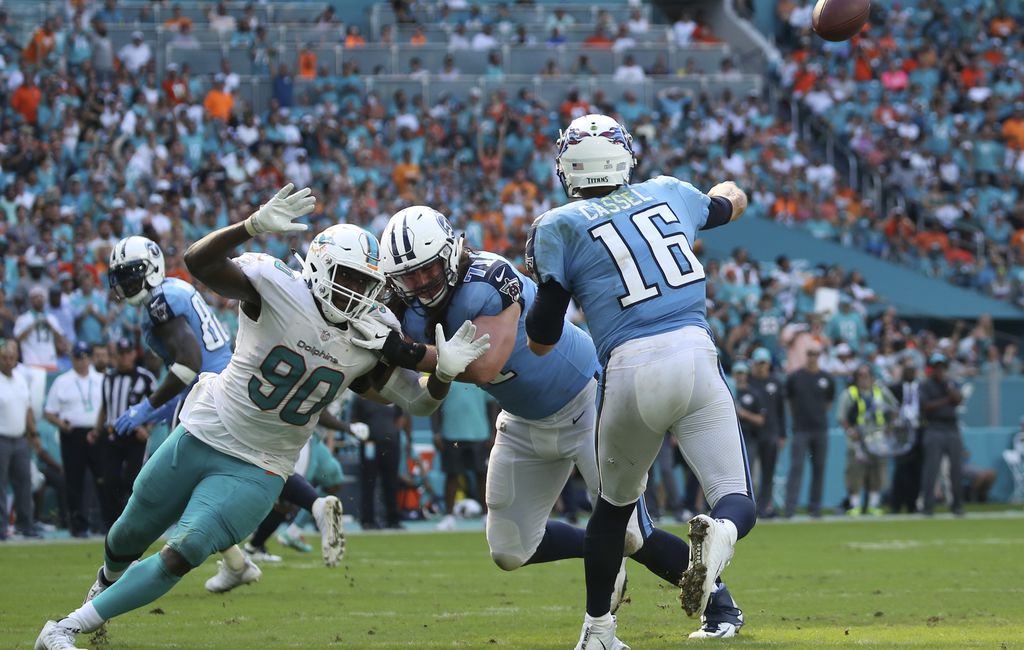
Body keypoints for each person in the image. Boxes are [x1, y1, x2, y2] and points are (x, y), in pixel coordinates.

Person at [34, 185, 490, 649]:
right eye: (347, 278)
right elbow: (198, 262)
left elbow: (417, 403)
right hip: (208, 428)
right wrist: (248, 226)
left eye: (365, 283)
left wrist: (444, 375)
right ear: (320, 267)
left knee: (185, 550)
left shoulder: (370, 336)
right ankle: (105, 581)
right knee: (129, 532)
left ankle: (66, 629)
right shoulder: (277, 287)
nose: (355, 293)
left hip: (263, 466)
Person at [525, 114, 754, 646]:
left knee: (612, 514)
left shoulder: (557, 224)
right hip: (696, 355)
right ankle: (719, 535)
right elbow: (728, 204)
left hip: (629, 368)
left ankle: (598, 631)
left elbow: (541, 334)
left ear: (567, 168)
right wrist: (729, 190)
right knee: (734, 497)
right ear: (626, 155)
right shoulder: (668, 192)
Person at [43, 342, 106, 536]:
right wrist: (62, 425)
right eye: (78, 357)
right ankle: (78, 525)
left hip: (96, 432)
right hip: (73, 433)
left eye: (86, 356)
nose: (83, 361)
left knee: (103, 478)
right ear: (72, 359)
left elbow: (107, 407)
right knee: (74, 480)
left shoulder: (101, 378)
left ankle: (105, 521)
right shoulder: (63, 381)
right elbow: (49, 412)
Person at [93, 339, 156, 523]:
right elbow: (105, 408)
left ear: (134, 354)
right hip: (112, 433)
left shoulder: (145, 378)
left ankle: (140, 520)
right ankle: (114, 523)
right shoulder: (109, 378)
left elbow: (157, 406)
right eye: (120, 354)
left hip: (135, 435)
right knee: (110, 480)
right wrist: (96, 430)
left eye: (127, 353)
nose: (124, 357)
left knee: (133, 480)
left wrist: (147, 428)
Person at [431, 382, 494, 531]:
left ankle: (487, 517)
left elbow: (492, 406)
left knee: (482, 476)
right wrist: (436, 432)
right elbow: (435, 406)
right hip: (451, 435)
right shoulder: (446, 376)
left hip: (479, 433)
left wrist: (493, 432)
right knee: (452, 476)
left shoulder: (480, 376)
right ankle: (449, 518)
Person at [783, 342, 835, 518]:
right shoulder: (796, 377)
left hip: (820, 428)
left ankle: (816, 507)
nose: (813, 357)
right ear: (807, 355)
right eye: (810, 353)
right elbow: (789, 400)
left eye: (816, 354)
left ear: (819, 356)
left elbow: (829, 402)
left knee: (819, 468)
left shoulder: (827, 378)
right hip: (801, 428)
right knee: (796, 468)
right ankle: (790, 507)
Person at [838, 365, 897, 516]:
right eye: (861, 376)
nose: (864, 380)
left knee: (877, 472)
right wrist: (850, 431)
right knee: (855, 473)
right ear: (856, 379)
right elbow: (842, 417)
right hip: (858, 440)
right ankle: (855, 505)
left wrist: (889, 427)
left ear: (872, 378)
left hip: (877, 438)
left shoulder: (880, 392)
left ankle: (873, 504)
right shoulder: (849, 394)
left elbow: (895, 408)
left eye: (867, 376)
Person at [0, 339, 41, 539]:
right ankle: (1, 527)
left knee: (24, 483)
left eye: (11, 358)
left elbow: (27, 409)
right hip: (2, 438)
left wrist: (33, 434)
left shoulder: (20, 379)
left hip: (20, 438)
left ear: (16, 359)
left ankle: (26, 524)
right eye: (4, 358)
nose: (8, 361)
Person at [349, 395, 411, 529]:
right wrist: (363, 438)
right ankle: (368, 520)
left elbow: (400, 417)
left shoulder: (393, 395)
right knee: (369, 483)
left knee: (391, 482)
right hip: (370, 445)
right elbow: (354, 420)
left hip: (391, 445)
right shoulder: (362, 397)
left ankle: (393, 519)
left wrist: (395, 433)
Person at [919, 353, 964, 516]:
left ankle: (957, 506)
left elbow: (958, 399)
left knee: (956, 469)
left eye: (942, 367)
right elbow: (926, 406)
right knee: (931, 469)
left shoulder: (950, 383)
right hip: (934, 427)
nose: (939, 370)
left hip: (952, 428)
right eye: (936, 367)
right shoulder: (925, 385)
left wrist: (948, 388)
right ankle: (928, 507)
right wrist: (946, 400)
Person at [748, 347, 786, 518]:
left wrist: (783, 434)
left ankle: (764, 507)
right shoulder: (748, 383)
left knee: (768, 472)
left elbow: (781, 410)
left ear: (769, 364)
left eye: (763, 363)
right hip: (751, 434)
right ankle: (750, 508)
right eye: (758, 363)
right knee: (749, 474)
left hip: (770, 432)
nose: (761, 367)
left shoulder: (776, 383)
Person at [889, 358, 923, 513]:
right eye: (907, 369)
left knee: (917, 469)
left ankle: (912, 503)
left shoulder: (921, 387)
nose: (909, 372)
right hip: (901, 431)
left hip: (919, 430)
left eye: (912, 369)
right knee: (901, 468)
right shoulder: (895, 388)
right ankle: (896, 503)